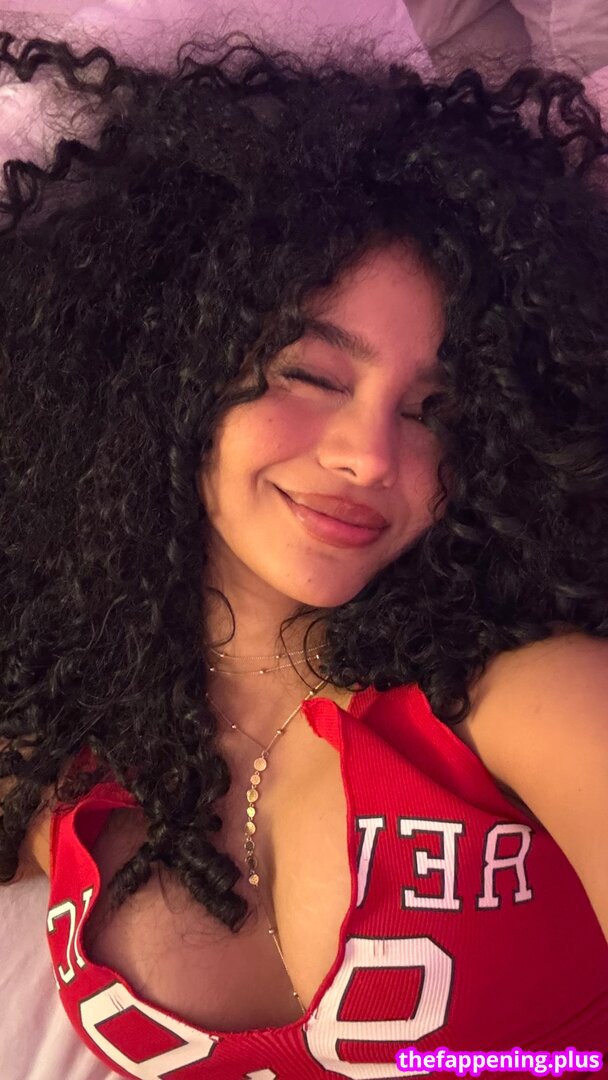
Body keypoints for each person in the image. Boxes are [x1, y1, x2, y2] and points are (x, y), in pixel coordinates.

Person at [0, 26, 607, 1080]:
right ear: (164, 376)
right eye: (311, 376)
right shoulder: (68, 746)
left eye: (435, 411)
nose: (369, 456)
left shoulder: (528, 701)